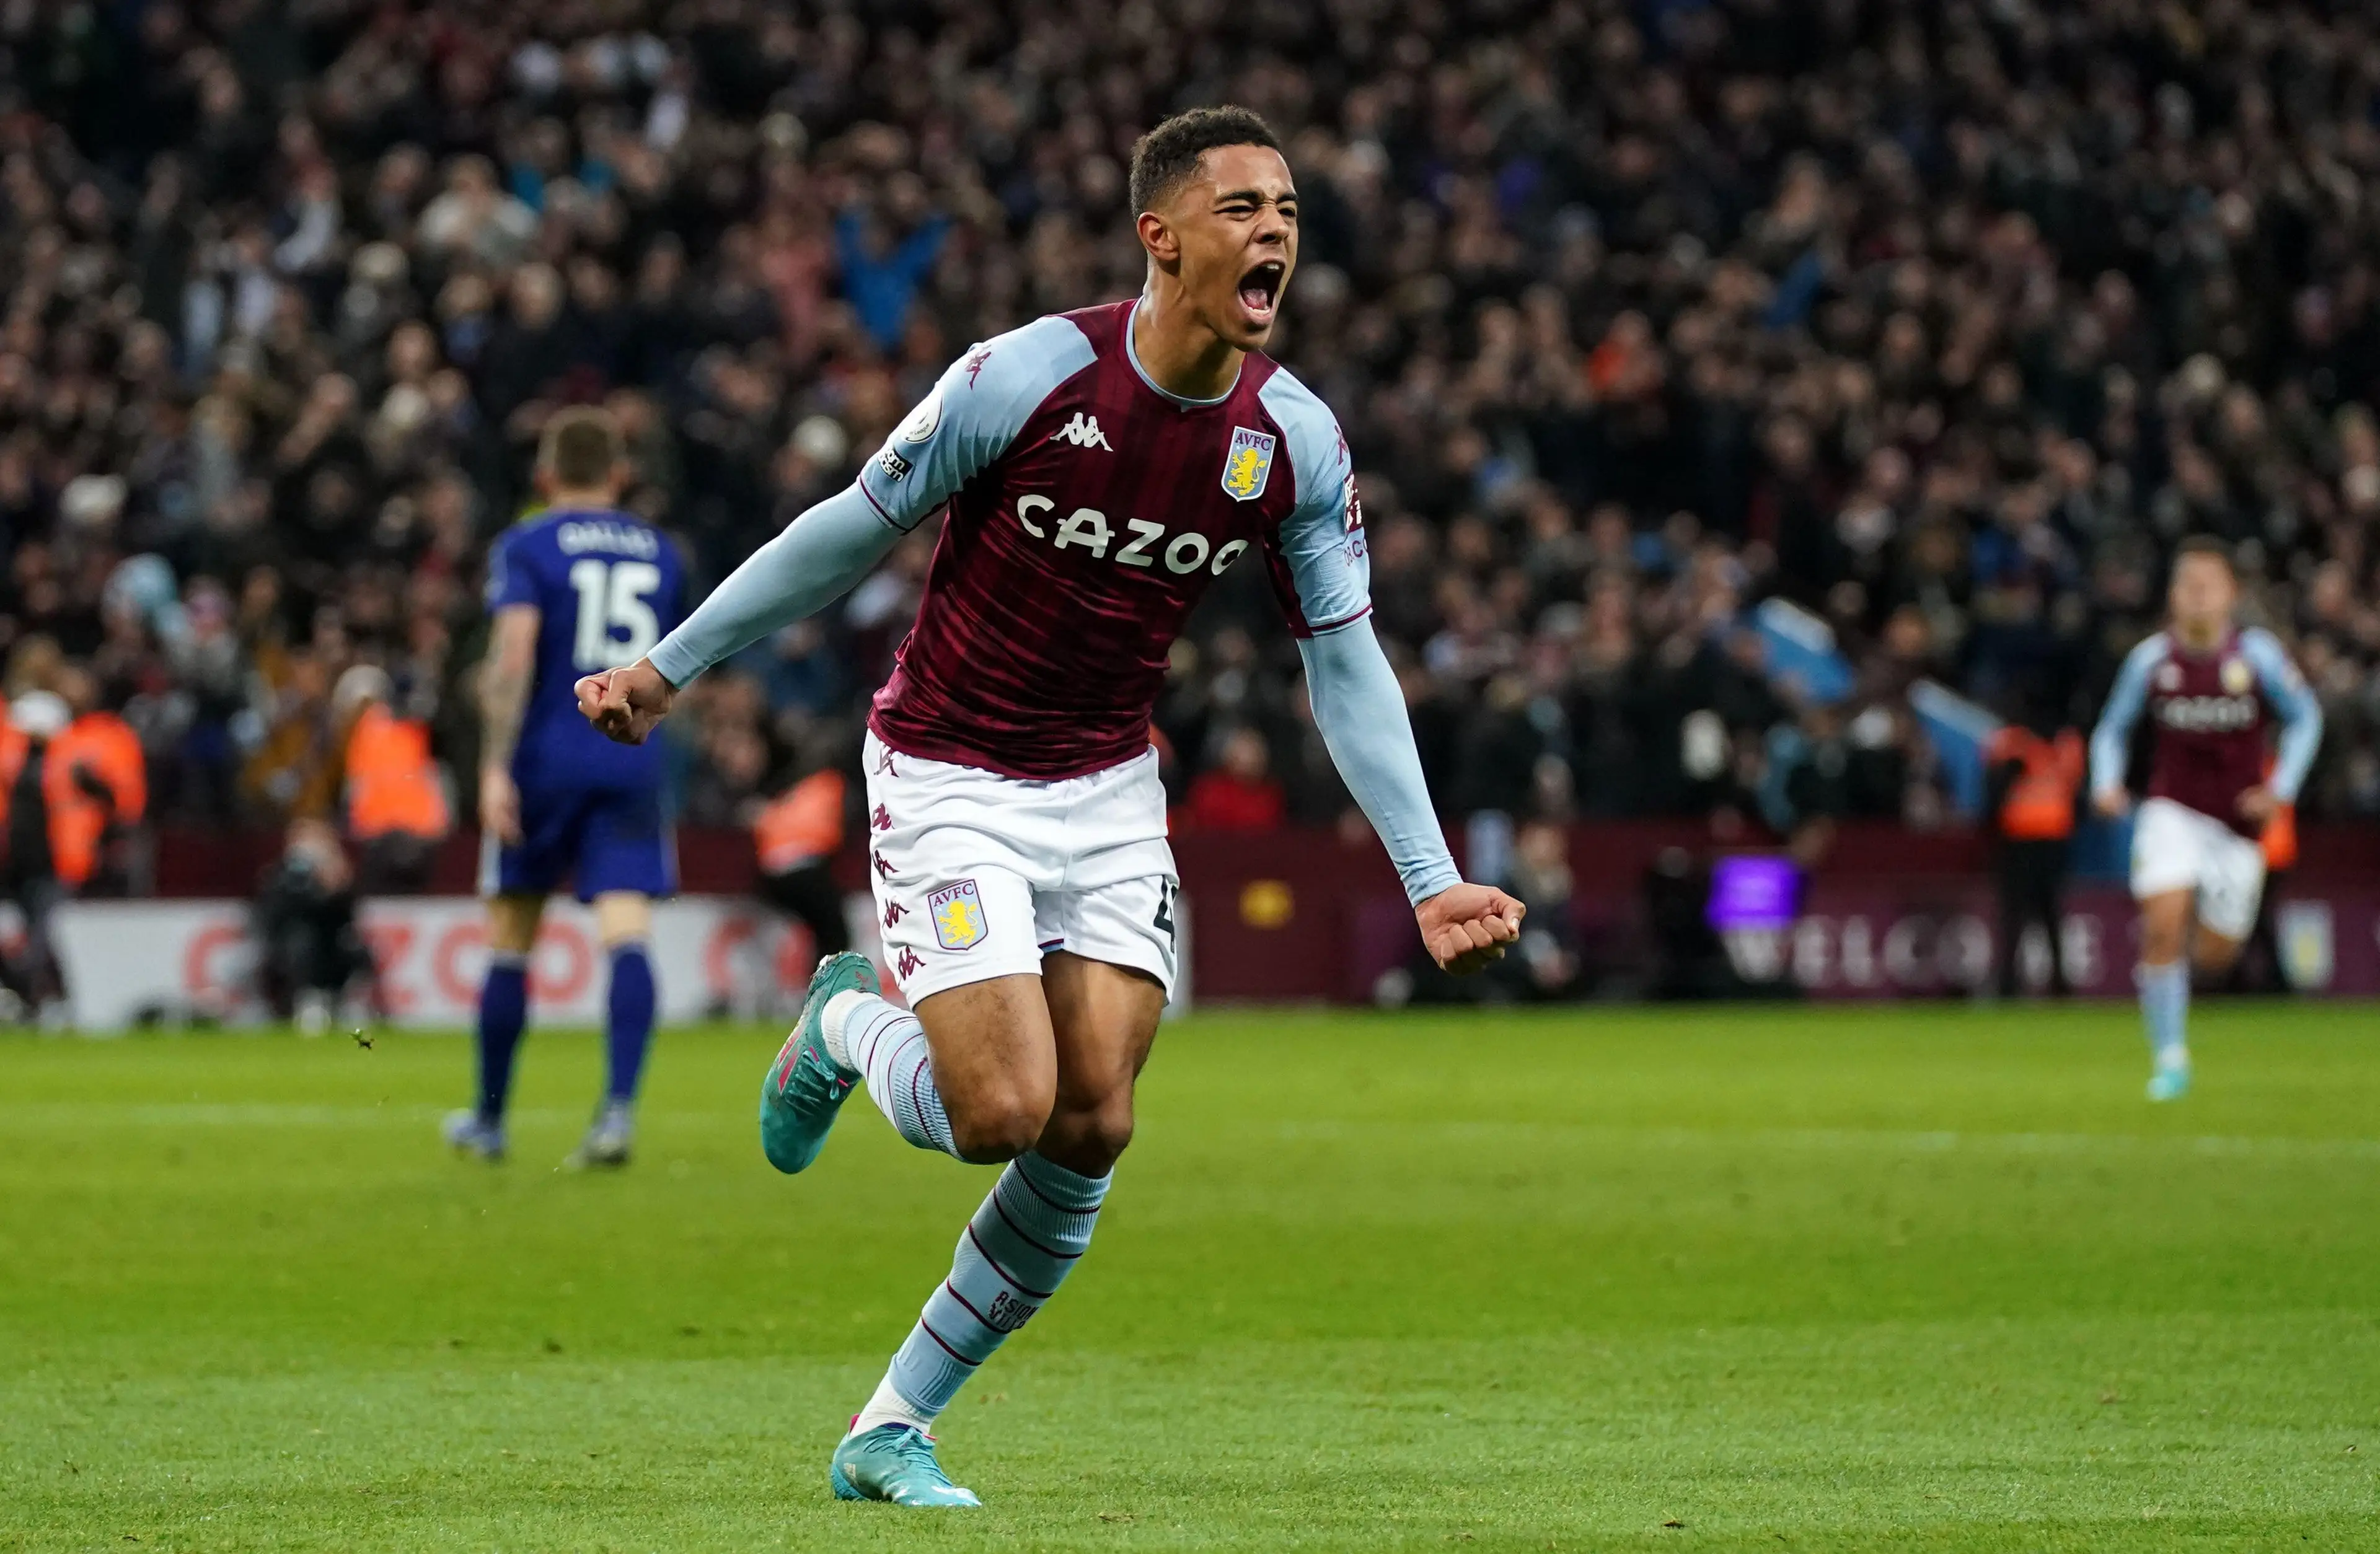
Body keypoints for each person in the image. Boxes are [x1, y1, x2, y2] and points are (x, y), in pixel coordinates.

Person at [576, 106, 1525, 1508]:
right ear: (1163, 238)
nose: (1274, 232)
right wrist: (673, 665)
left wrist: (1428, 873)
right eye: (1242, 209)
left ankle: (890, 1428)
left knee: (1094, 1122)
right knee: (1001, 1106)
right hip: (948, 765)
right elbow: (849, 526)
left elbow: (1343, 657)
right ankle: (844, 1014)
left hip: (1104, 785)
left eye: (1287, 211)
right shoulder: (1023, 376)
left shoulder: (1294, 442)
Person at [444, 406, 685, 1167]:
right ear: (619, 474)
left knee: (513, 934)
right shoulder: (662, 551)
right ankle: (615, 1114)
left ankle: (489, 1120)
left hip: (546, 756)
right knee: (626, 930)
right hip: (629, 757)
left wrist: (490, 765)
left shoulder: (527, 543)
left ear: (545, 478)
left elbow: (513, 655)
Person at [2089, 537, 2322, 1101]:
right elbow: (2112, 728)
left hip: (2238, 826)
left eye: (2207, 586)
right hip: (2171, 810)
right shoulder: (2151, 660)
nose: (2196, 596)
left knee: (2217, 954)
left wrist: (2280, 789)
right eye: (2187, 585)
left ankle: (2169, 977)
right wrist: (2105, 782)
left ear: (2229, 596)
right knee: (2164, 924)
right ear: (2173, 596)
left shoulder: (2258, 657)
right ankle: (2169, 1058)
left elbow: (2306, 718)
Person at [1984, 708, 2084, 996]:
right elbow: (1990, 794)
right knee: (2015, 913)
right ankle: (2008, 982)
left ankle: (2060, 983)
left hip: (2052, 839)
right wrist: (2008, 775)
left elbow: (2076, 793)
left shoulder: (2067, 743)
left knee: (2049, 912)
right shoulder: (2010, 742)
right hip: (2018, 839)